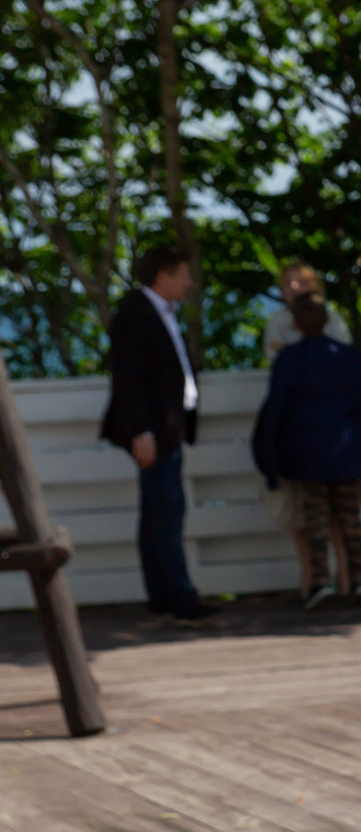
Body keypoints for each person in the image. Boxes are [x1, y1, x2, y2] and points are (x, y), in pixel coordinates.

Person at [99, 243, 216, 622]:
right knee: (166, 511)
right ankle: (179, 594)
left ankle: (163, 594)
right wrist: (141, 431)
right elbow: (128, 379)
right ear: (163, 275)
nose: (189, 283)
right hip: (154, 431)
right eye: (184, 274)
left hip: (166, 427)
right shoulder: (136, 313)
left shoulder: (156, 311)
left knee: (157, 511)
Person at [252, 293, 361, 608]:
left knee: (316, 520)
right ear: (327, 321)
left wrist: (269, 461)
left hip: (306, 454)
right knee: (350, 520)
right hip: (349, 452)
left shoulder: (289, 359)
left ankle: (319, 583)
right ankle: (359, 579)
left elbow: (274, 411)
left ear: (295, 324)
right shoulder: (352, 356)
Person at [259, 259, 353, 361]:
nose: (293, 287)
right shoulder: (277, 319)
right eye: (287, 283)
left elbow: (344, 352)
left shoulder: (334, 318)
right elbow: (272, 354)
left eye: (301, 282)